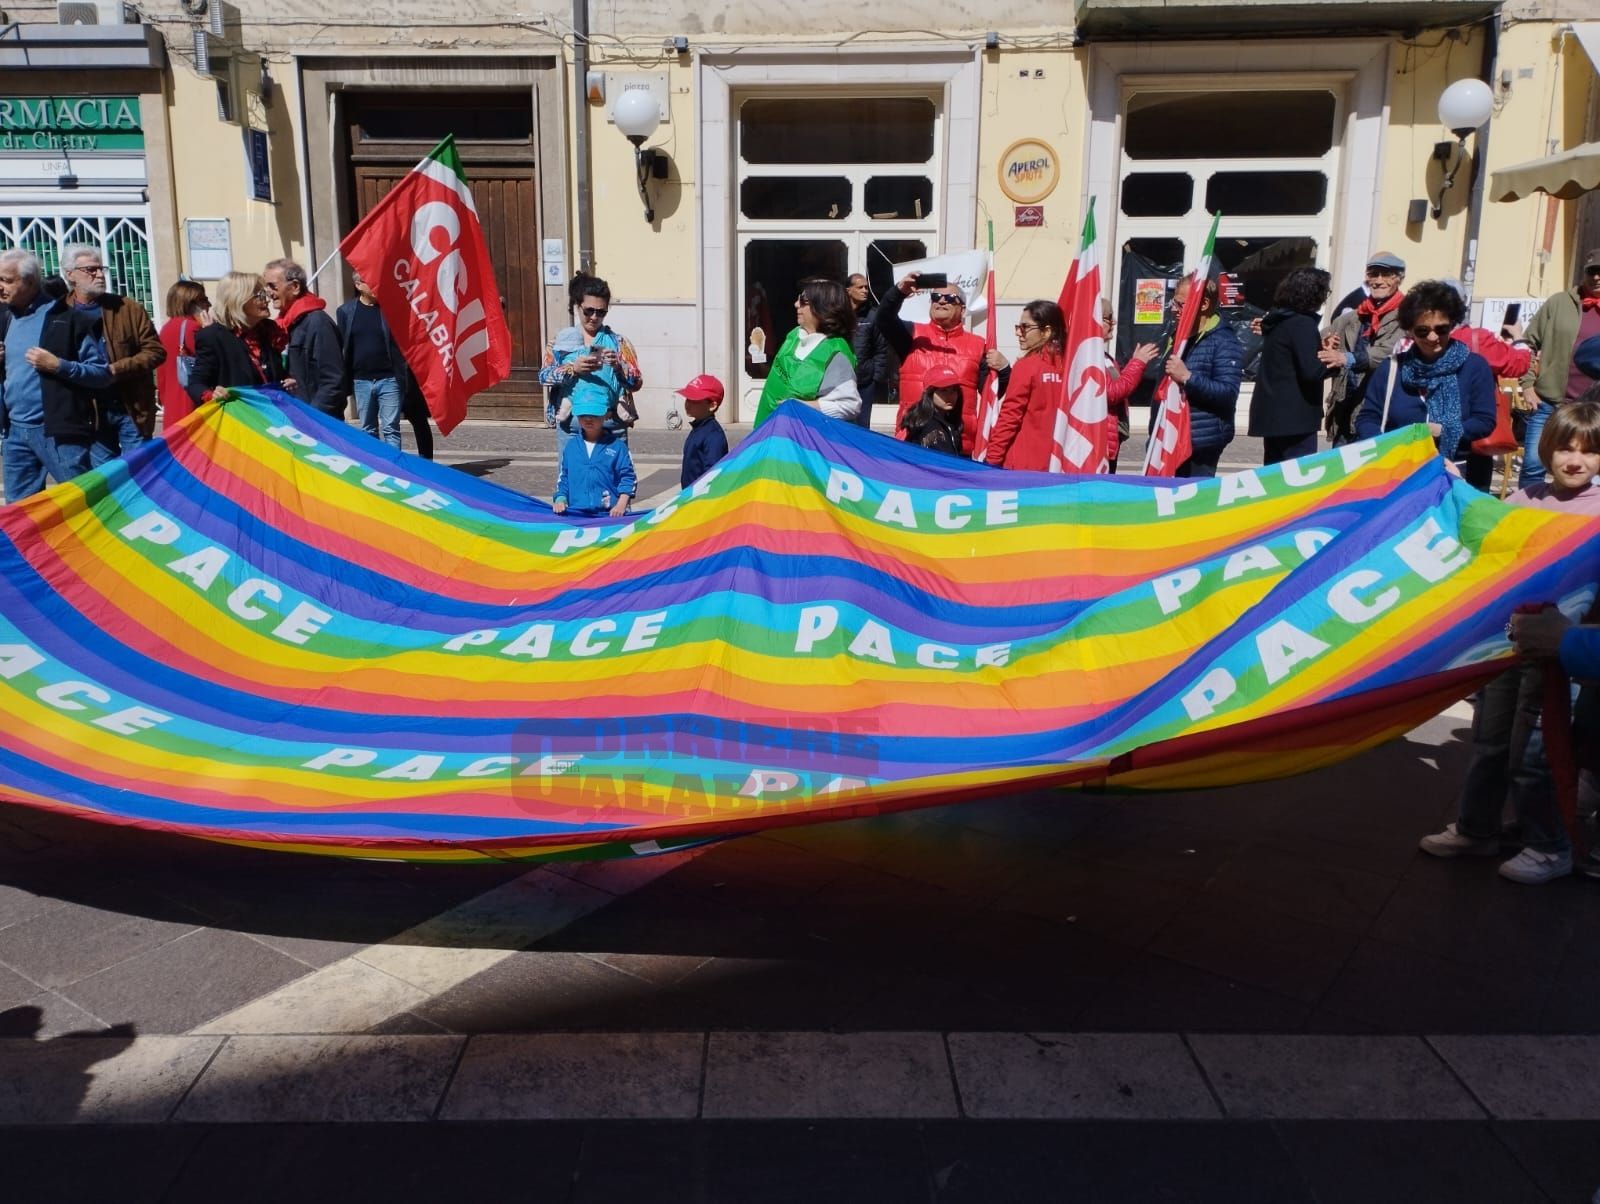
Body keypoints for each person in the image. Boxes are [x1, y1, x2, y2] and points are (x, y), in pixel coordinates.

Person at [1421, 400, 1600, 883]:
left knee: (1536, 753)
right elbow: (1483, 529)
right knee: (1490, 742)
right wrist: (1452, 486)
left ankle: (1549, 846)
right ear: (1545, 449)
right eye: (1565, 448)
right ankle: (1477, 828)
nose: (1575, 460)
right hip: (1505, 646)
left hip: (1559, 660)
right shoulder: (1525, 498)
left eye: (1589, 451)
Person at [1353, 280, 1498, 483]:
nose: (1432, 337)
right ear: (1410, 330)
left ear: (1452, 325)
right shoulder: (1392, 368)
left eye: (1441, 329)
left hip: (1462, 472)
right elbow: (1368, 418)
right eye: (1422, 331)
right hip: (1400, 473)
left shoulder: (1474, 366)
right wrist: (1385, 446)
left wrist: (1444, 431)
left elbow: (1484, 421)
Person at [0, 248, 111, 501]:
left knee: (81, 502)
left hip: (58, 433)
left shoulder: (65, 319)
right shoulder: (5, 317)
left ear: (29, 282)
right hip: (15, 432)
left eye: (6, 280)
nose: (0, 287)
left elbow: (101, 373)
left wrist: (59, 365)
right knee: (19, 512)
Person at [877, 272, 1008, 455]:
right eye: (936, 297)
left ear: (962, 309)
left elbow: (992, 393)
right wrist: (899, 292)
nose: (942, 301)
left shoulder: (978, 346)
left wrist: (1004, 369)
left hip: (959, 443)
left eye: (950, 298)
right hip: (915, 438)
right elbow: (883, 318)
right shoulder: (911, 335)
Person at [58, 244, 165, 468]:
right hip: (91, 413)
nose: (99, 274)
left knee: (140, 472)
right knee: (105, 476)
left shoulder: (128, 308)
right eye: (91, 270)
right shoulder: (58, 313)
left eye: (101, 269)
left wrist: (117, 369)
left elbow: (155, 351)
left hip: (131, 407)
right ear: (70, 275)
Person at [1517, 248, 1600, 487]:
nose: (1596, 277)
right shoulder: (1559, 303)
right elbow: (1527, 343)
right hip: (1549, 403)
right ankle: (1525, 510)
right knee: (1533, 465)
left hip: (1595, 409)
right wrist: (1527, 385)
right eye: (1592, 271)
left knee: (1589, 470)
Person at [540, 274, 643, 458]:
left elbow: (636, 383)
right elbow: (544, 376)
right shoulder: (560, 342)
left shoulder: (619, 342)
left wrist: (619, 367)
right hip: (572, 425)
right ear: (577, 306)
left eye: (601, 312)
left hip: (610, 424)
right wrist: (572, 369)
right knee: (572, 475)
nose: (594, 317)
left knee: (615, 474)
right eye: (589, 311)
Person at [1249, 267, 1343, 465]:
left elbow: (1291, 359)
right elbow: (1311, 371)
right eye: (1325, 291)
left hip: (1274, 415)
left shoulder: (1278, 321)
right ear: (1313, 293)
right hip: (1296, 418)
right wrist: (1334, 361)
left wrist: (1320, 349)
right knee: (1297, 476)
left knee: (1275, 474)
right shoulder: (1302, 323)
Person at [1163, 276, 1244, 478]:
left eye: (1180, 304)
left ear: (1204, 304)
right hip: (1170, 437)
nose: (1174, 309)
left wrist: (1187, 377)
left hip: (1201, 442)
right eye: (1173, 303)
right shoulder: (1178, 336)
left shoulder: (1224, 341)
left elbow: (1227, 392)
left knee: (1196, 494)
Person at [1323, 251, 1406, 445]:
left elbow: (1386, 352)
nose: (1378, 281)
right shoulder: (1354, 316)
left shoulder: (1407, 317)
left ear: (1399, 278)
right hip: (1345, 410)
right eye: (1373, 274)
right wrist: (1273, 327)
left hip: (1379, 414)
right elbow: (1319, 338)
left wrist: (1346, 358)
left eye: (1386, 275)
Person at [337, 269, 425, 451]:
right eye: (371, 281)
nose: (376, 286)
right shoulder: (345, 312)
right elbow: (344, 345)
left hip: (389, 379)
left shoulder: (390, 309)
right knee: (368, 429)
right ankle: (374, 465)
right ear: (358, 285)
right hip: (361, 381)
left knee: (391, 428)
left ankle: (392, 466)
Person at [753, 278, 860, 424]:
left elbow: (849, 405)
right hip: (769, 428)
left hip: (801, 434)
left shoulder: (836, 352)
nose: (796, 304)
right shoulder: (794, 336)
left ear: (823, 307)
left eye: (803, 301)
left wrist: (800, 406)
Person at [983, 300, 1065, 471]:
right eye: (1018, 327)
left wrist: (991, 461)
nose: (1018, 333)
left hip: (1024, 466)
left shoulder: (1027, 367)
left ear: (1046, 331)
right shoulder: (1074, 366)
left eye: (1025, 327)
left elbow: (1009, 418)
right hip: (1062, 465)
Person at [263, 258, 346, 419]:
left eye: (272, 286)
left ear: (295, 287)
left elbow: (333, 381)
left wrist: (312, 418)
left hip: (315, 420)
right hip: (293, 417)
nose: (268, 293)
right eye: (266, 286)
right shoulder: (282, 325)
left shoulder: (317, 322)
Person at [185, 271, 284, 402]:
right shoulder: (213, 337)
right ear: (238, 300)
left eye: (265, 294)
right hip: (238, 412)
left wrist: (287, 380)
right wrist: (211, 394)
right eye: (259, 295)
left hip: (274, 411)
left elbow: (276, 374)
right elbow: (196, 384)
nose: (267, 300)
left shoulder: (268, 330)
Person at [553, 382, 636, 518]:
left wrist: (621, 504)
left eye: (594, 414)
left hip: (610, 515)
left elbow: (628, 477)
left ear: (606, 415)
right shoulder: (571, 447)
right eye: (583, 414)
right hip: (577, 514)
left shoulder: (618, 447)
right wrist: (560, 499)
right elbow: (564, 478)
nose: (588, 419)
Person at [1101, 300, 1158, 472]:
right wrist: (1137, 364)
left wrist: (1133, 364)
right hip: (1099, 441)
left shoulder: (1105, 357)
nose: (1114, 322)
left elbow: (1117, 384)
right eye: (1109, 317)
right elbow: (1111, 393)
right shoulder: (1090, 357)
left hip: (1110, 437)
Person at [156, 279, 210, 428]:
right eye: (204, 300)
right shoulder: (193, 328)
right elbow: (210, 362)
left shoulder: (166, 328)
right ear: (191, 303)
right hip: (191, 400)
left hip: (172, 400)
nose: (209, 305)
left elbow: (161, 371)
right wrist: (211, 332)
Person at [848, 273, 894, 429]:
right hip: (841, 380)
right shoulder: (838, 315)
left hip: (865, 381)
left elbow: (881, 349)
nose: (865, 291)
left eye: (866, 288)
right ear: (848, 290)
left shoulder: (873, 316)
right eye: (860, 287)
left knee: (862, 426)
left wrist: (875, 378)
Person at [899, 363, 964, 456]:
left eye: (954, 390)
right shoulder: (929, 426)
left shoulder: (948, 420)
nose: (950, 396)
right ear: (930, 393)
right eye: (943, 390)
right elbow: (944, 461)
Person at [678, 373, 728, 487]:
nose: (688, 404)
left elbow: (713, 474)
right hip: (689, 493)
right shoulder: (698, 428)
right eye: (687, 398)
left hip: (701, 494)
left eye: (694, 400)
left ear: (712, 405)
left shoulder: (714, 436)